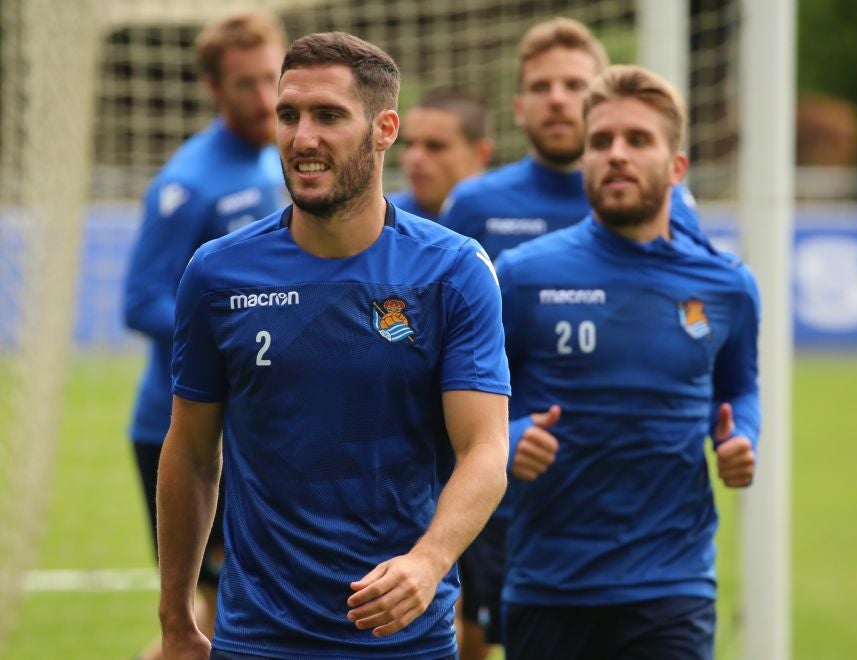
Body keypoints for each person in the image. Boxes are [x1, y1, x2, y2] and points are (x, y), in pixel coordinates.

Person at [156, 31, 510, 660]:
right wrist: (175, 614)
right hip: (259, 639)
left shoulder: (453, 271)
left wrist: (428, 563)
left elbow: (484, 448)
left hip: (402, 639)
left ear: (384, 129)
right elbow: (189, 452)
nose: (302, 137)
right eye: (288, 116)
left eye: (329, 116)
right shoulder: (217, 273)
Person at [495, 64, 760, 660]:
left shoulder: (728, 286)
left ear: (676, 167)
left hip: (672, 582)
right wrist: (510, 438)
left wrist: (741, 435)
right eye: (601, 141)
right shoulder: (521, 275)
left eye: (637, 140)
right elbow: (470, 401)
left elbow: (739, 387)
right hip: (549, 581)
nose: (616, 154)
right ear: (584, 159)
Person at [122, 10, 286, 660]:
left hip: (250, 422)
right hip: (182, 429)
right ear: (214, 89)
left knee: (239, 615)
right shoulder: (188, 182)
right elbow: (140, 302)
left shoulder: (278, 156)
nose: (265, 98)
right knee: (202, 627)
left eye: (273, 78)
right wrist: (237, 335)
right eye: (246, 84)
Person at [440, 17, 700, 261]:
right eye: (541, 87)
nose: (557, 100)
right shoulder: (473, 202)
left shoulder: (665, 198)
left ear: (601, 101)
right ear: (519, 109)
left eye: (574, 85)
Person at [388, 87, 494, 220]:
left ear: (481, 154)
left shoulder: (508, 219)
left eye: (435, 146)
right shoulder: (381, 220)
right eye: (409, 144)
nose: (415, 158)